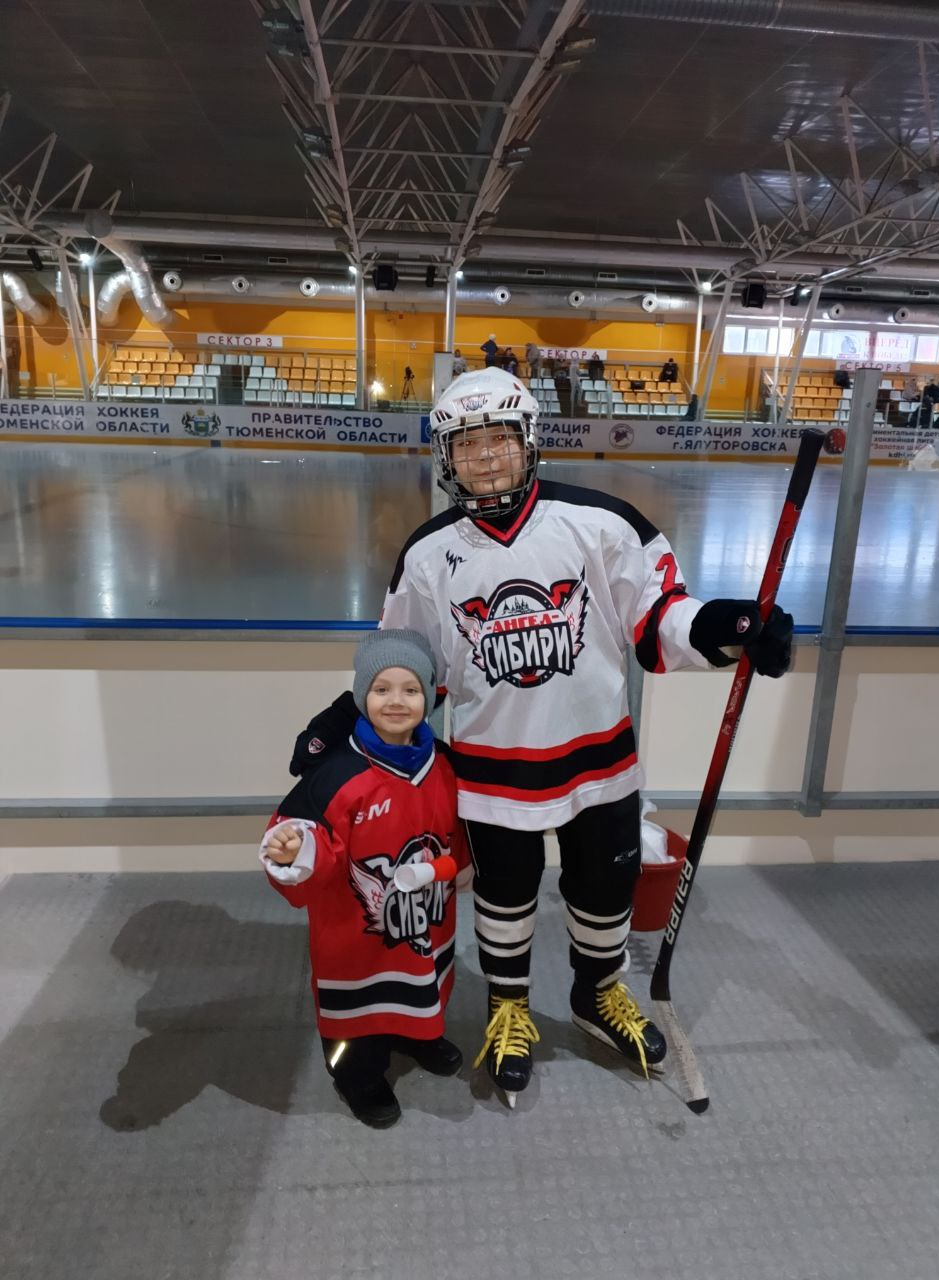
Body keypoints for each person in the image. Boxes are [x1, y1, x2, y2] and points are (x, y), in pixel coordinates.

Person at [289, 366, 794, 1108]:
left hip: (600, 764)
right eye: (467, 445)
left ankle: (597, 994)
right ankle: (509, 1008)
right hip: (493, 775)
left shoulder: (602, 522)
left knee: (604, 889)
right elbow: (406, 668)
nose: (485, 457)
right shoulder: (428, 554)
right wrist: (342, 723)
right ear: (445, 457)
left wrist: (728, 625)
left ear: (529, 441)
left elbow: (658, 620)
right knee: (505, 896)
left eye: (499, 439)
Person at [261, 629, 470, 1128]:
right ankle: (355, 1074)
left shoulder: (444, 763)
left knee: (423, 978)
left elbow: (456, 827)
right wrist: (296, 851)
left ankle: (416, 1032)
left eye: (411, 689)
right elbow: (302, 841)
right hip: (354, 939)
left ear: (429, 696)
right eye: (381, 689)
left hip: (423, 919)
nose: (396, 701)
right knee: (356, 1012)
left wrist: (462, 861)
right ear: (361, 695)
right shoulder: (335, 775)